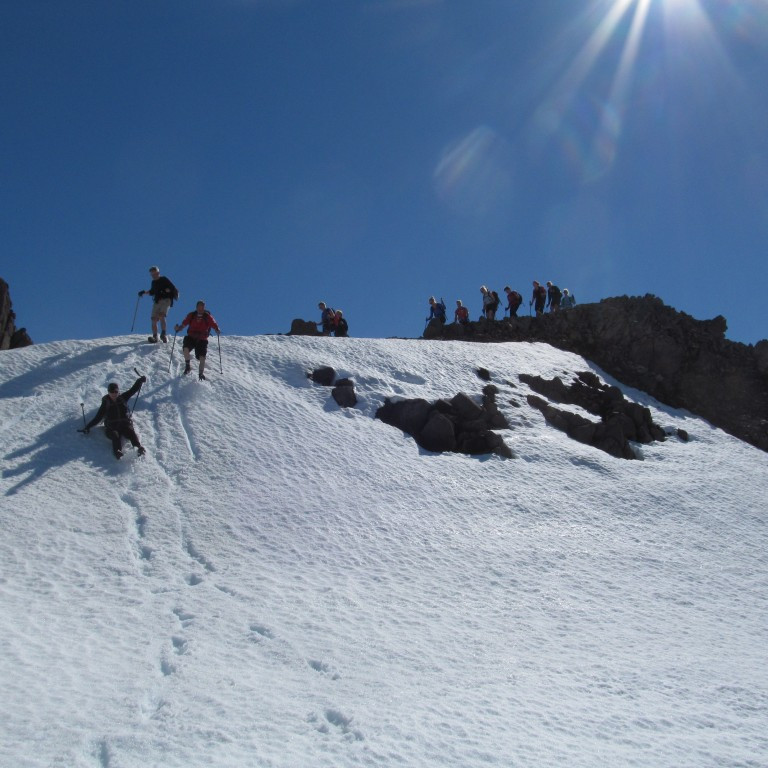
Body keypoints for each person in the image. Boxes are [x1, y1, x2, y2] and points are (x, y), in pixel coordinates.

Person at [81, 377, 147, 459]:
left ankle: (138, 448)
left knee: (131, 432)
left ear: (118, 391)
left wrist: (139, 381)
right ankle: (118, 452)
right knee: (115, 435)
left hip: (124, 425)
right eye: (111, 392)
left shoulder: (123, 398)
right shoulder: (106, 403)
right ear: (108, 392)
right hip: (112, 427)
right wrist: (88, 427)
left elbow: (132, 390)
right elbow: (98, 417)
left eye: (115, 392)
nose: (114, 394)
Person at [174, 301, 221, 380]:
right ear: (196, 307)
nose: (200, 308)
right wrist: (179, 328)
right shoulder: (192, 315)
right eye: (199, 307)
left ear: (204, 307)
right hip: (192, 337)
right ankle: (188, 366)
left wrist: (216, 328)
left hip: (202, 339)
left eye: (202, 307)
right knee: (186, 349)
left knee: (202, 357)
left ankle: (200, 374)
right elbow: (184, 323)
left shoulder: (207, 316)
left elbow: (213, 323)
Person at [138, 266, 178, 343]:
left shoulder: (164, 279)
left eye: (154, 274)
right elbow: (152, 292)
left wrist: (168, 290)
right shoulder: (153, 282)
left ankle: (163, 334)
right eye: (152, 275)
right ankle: (155, 337)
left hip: (166, 300)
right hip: (157, 301)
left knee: (162, 315)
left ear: (158, 273)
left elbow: (173, 288)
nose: (153, 276)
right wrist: (144, 292)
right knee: (154, 319)